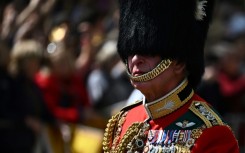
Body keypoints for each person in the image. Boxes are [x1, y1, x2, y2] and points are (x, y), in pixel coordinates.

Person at [102, 0, 240, 152]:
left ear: (178, 62)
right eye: (130, 51)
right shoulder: (124, 120)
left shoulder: (212, 133)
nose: (135, 59)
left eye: (148, 51)